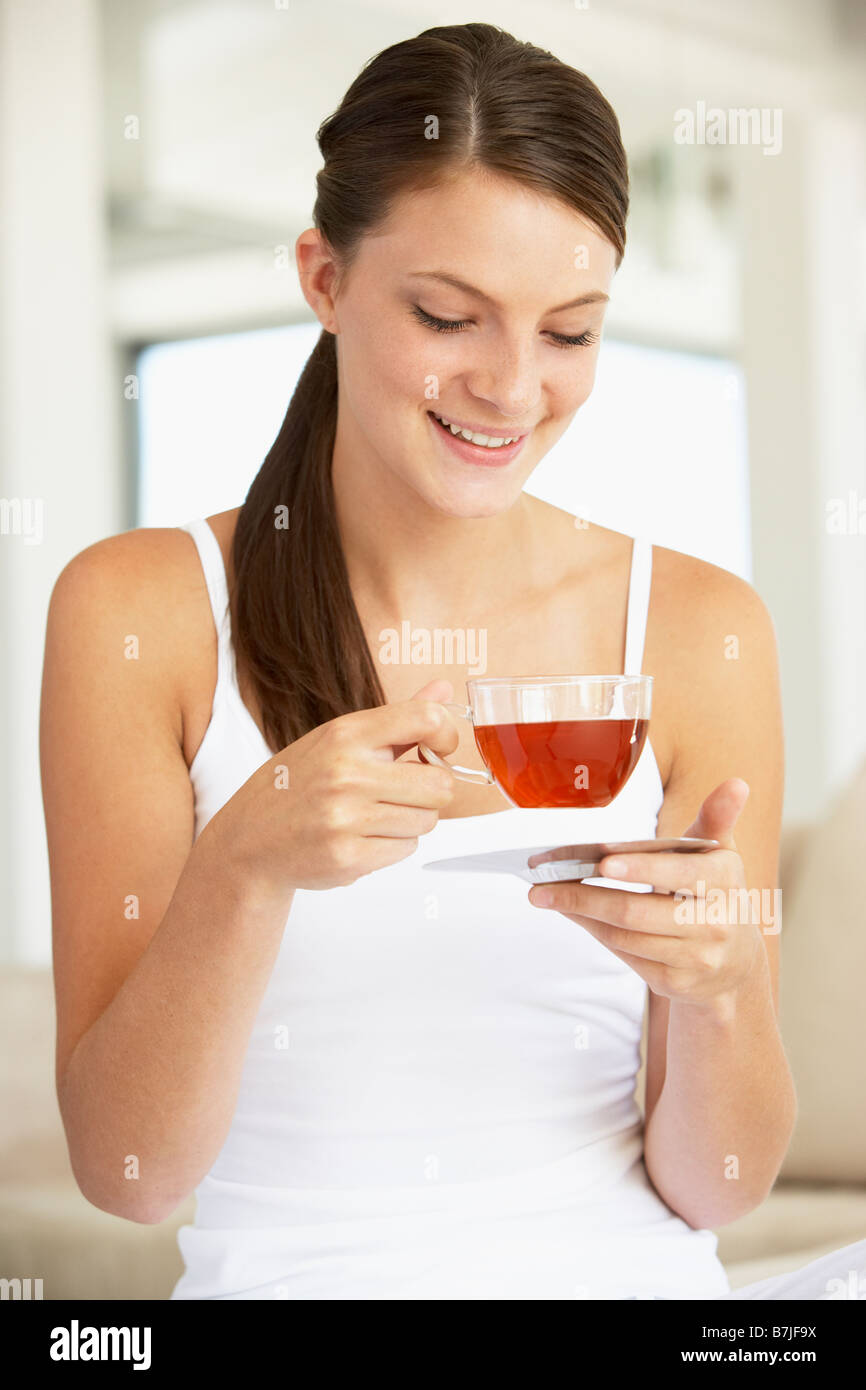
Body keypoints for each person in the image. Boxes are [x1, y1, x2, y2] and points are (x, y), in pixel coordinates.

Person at [41, 22, 864, 1300]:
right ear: (323, 278)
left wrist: (718, 989)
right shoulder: (139, 610)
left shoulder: (696, 625)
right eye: (445, 315)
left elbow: (720, 1185)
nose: (510, 388)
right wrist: (246, 860)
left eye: (569, 332)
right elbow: (130, 1171)